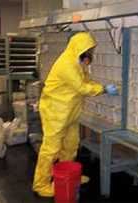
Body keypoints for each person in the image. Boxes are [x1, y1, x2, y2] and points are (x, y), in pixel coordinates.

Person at [33, 32, 118, 197]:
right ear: (80, 48)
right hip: (55, 111)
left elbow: (86, 81)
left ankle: (68, 176)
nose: (91, 53)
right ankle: (41, 184)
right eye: (89, 50)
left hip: (69, 111)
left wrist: (98, 85)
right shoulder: (67, 64)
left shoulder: (78, 63)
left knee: (71, 144)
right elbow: (82, 88)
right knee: (51, 149)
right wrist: (103, 89)